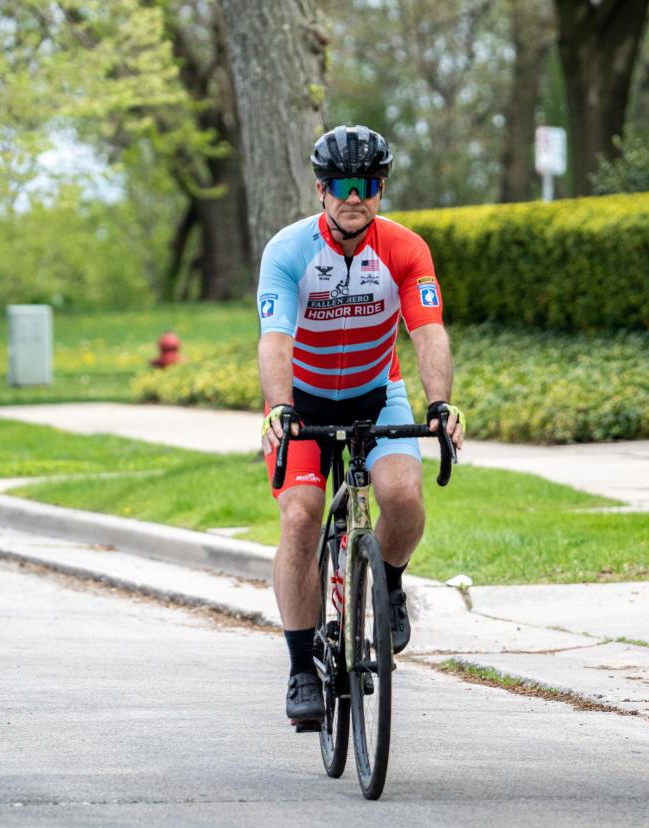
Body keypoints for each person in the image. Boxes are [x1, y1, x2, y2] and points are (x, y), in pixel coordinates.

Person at [256, 124, 465, 727]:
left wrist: (440, 403)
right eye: (344, 184)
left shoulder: (405, 248)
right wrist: (279, 407)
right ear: (321, 189)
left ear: (381, 189)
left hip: (378, 394)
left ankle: (390, 584)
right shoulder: (289, 250)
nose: (356, 196)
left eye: (369, 184)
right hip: (304, 402)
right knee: (299, 517)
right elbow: (275, 338)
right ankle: (301, 668)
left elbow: (427, 331)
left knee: (402, 495)